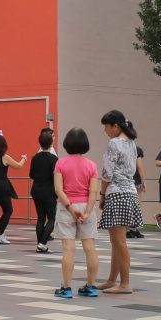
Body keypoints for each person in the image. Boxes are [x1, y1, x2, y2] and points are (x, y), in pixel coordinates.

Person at [97, 110, 141, 295]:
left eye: (106, 127)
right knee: (117, 241)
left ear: (115, 126)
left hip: (116, 193)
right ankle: (112, 280)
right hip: (130, 193)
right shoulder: (132, 143)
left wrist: (102, 194)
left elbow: (107, 173)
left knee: (119, 242)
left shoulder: (114, 143)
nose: (105, 130)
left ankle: (125, 283)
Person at [52, 128, 99, 299]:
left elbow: (58, 189)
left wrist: (71, 208)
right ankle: (91, 286)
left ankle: (66, 288)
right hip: (87, 206)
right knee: (90, 248)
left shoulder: (60, 164)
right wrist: (87, 212)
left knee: (68, 248)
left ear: (67, 143)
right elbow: (93, 192)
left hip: (67, 206)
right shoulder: (91, 165)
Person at [30, 128, 58, 253]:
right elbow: (55, 176)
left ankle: (39, 244)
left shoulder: (35, 158)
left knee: (40, 218)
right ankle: (42, 243)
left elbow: (31, 174)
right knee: (52, 218)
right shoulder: (53, 159)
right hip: (49, 192)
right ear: (51, 142)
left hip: (36, 190)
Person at [127, 145, 146, 239]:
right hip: (135, 181)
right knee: (137, 206)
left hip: (123, 181)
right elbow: (139, 166)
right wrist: (144, 181)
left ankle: (130, 229)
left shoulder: (119, 147)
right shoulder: (137, 149)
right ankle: (132, 229)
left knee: (127, 206)